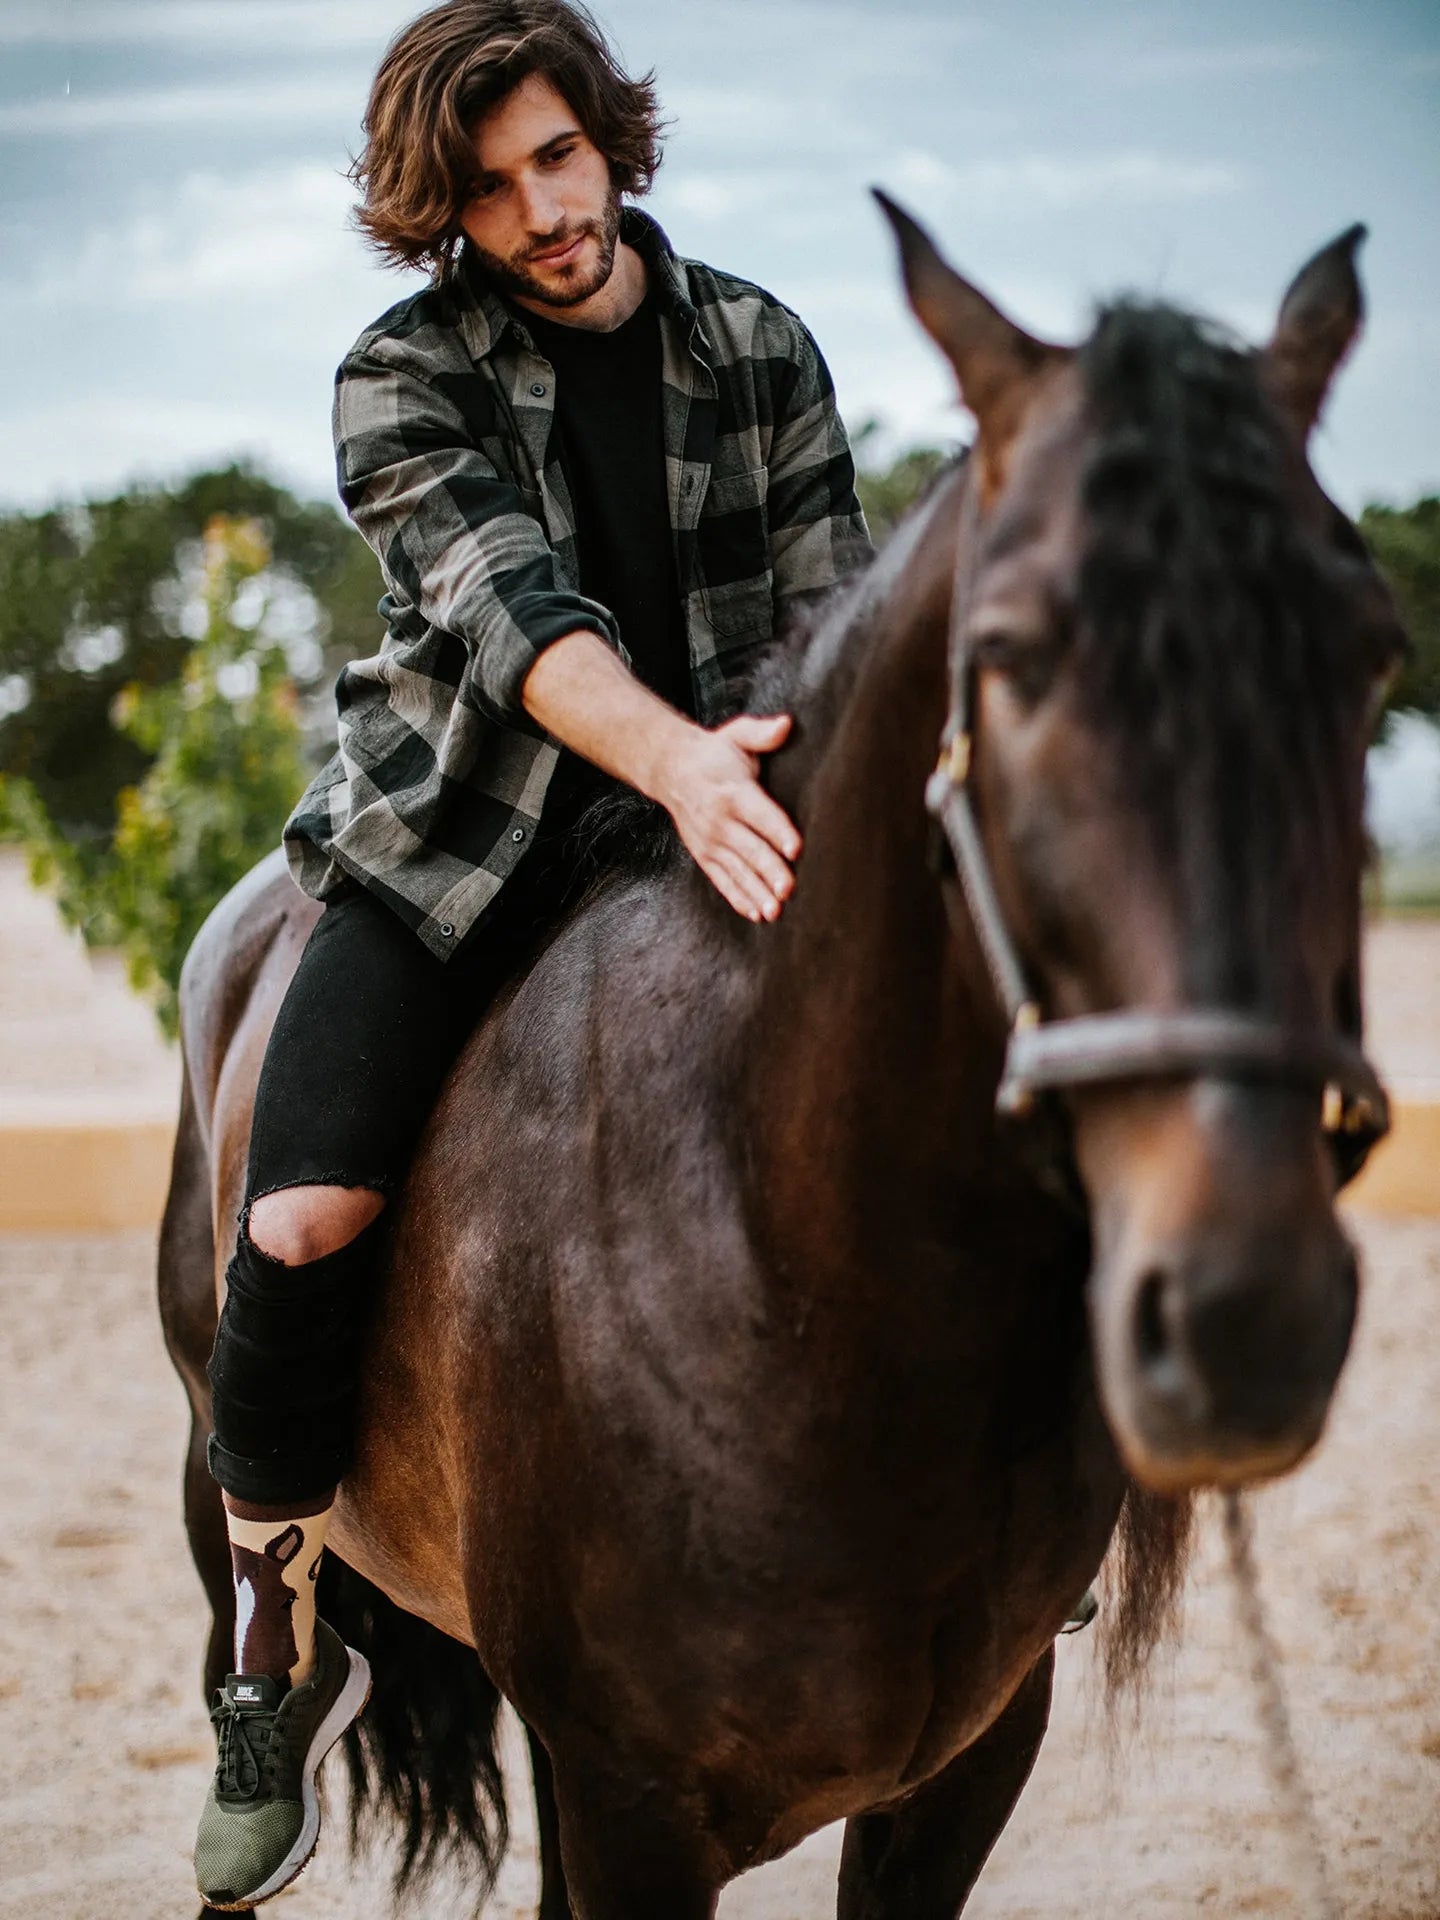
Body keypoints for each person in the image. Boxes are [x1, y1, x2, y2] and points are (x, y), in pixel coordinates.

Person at [193, 0, 871, 1906]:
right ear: (445, 215)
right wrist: (674, 764)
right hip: (460, 841)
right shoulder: (396, 380)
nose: (542, 212)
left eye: (559, 158)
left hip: (743, 796)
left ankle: (1018, 1498)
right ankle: (264, 1627)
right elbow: (518, 614)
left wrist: (798, 781)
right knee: (303, 1216)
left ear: (611, 140)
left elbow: (835, 613)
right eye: (490, 191)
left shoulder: (760, 344)